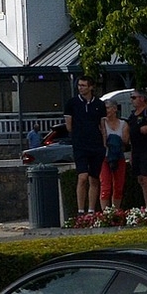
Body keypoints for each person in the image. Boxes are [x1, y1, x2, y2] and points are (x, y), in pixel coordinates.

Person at [62, 76, 107, 214]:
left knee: (94, 178)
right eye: (79, 85)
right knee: (82, 177)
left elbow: (102, 126)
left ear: (90, 87)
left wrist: (104, 144)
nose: (80, 88)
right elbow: (69, 126)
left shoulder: (99, 104)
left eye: (83, 85)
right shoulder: (72, 103)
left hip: (96, 145)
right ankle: (81, 210)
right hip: (80, 145)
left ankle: (91, 210)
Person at [99, 102, 128, 211]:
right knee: (105, 186)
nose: (106, 111)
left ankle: (116, 211)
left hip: (118, 157)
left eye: (108, 108)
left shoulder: (123, 124)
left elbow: (125, 141)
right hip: (105, 158)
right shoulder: (102, 123)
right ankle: (105, 213)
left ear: (115, 109)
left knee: (118, 187)